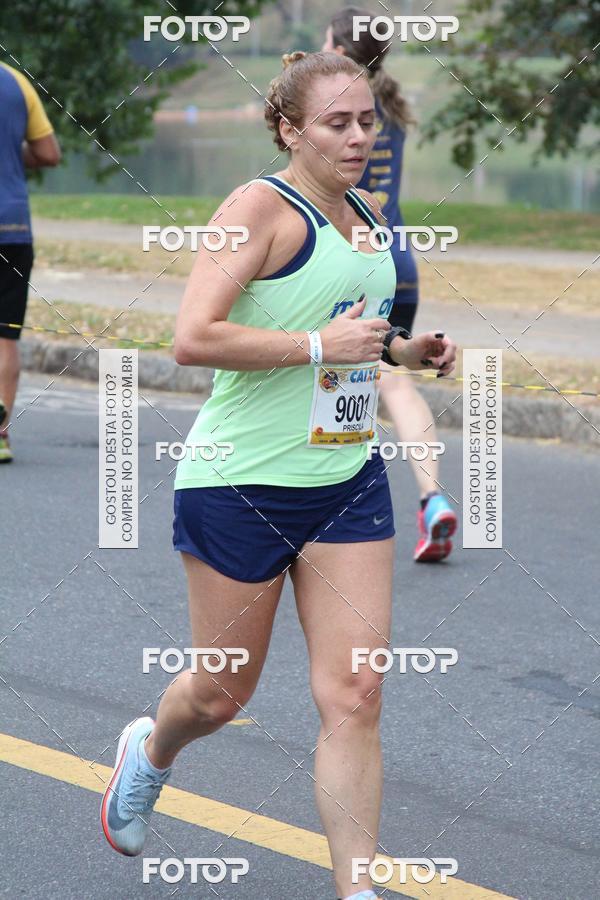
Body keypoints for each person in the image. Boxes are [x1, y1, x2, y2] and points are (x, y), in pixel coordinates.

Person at [101, 51, 456, 900]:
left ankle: (356, 891)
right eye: (337, 123)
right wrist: (317, 346)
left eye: (367, 121)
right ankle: (150, 750)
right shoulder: (255, 209)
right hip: (240, 482)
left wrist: (405, 350)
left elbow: (354, 328)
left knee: (358, 691)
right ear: (290, 130)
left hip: (346, 482)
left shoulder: (368, 214)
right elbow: (192, 337)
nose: (360, 137)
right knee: (220, 696)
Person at [323, 8, 458, 562]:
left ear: (338, 49)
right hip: (398, 259)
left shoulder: (335, 111)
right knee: (392, 381)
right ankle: (431, 497)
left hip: (353, 259)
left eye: (327, 42)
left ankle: (324, 509)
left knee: (337, 377)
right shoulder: (391, 108)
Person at [0, 61, 61, 463]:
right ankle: (1, 434)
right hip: (12, 226)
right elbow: (48, 152)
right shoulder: (16, 80)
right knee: (5, 335)